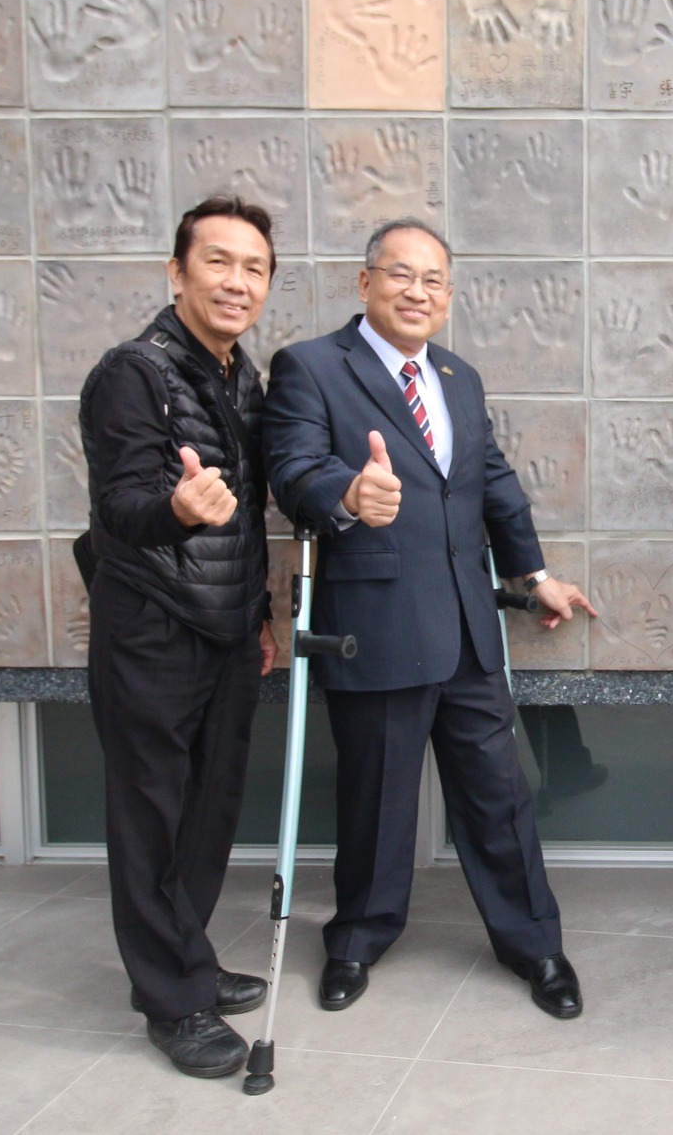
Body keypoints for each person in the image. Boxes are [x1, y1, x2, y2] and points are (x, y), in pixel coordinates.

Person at [262, 218, 599, 1020]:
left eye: (434, 280)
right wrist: (348, 493)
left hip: (468, 627)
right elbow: (292, 469)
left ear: (448, 295)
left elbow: (492, 482)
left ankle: (534, 945)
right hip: (375, 623)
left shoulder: (458, 377)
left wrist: (535, 575)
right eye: (401, 274)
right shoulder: (312, 366)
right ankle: (357, 939)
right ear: (365, 282)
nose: (419, 292)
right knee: (376, 801)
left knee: (500, 797)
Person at [79, 196, 280, 1078]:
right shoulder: (132, 374)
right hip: (152, 629)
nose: (238, 281)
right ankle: (170, 1000)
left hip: (227, 630)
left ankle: (184, 961)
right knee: (152, 819)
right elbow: (121, 506)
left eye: (255, 268)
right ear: (177, 272)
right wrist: (176, 508)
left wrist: (259, 616)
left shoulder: (241, 377)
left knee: (208, 811)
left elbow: (253, 520)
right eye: (218, 262)